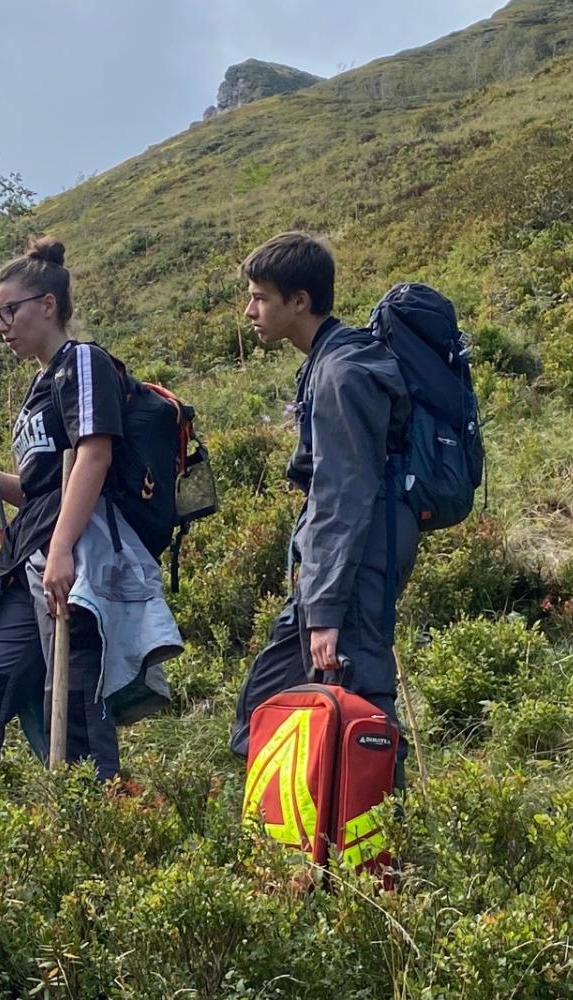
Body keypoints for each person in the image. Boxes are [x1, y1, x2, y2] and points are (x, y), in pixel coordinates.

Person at [0, 237, 180, 782]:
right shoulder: (39, 384)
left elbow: (94, 454)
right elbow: (43, 487)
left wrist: (63, 551)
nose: (1, 325)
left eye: (10, 310)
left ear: (47, 305)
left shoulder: (84, 363)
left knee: (73, 704)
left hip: (73, 558)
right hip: (30, 557)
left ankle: (95, 831)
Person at [229, 232, 419, 773]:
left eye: (260, 297)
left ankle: (382, 843)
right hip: (345, 562)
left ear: (300, 301)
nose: (250, 311)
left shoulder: (340, 373)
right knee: (271, 701)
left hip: (358, 558)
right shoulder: (328, 362)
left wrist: (326, 612)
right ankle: (308, 837)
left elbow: (344, 494)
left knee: (361, 703)